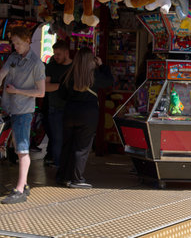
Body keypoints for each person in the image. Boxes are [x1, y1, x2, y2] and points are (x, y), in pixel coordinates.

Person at [0, 27, 45, 204]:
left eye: (18, 43)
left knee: (22, 148)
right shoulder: (13, 57)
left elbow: (41, 92)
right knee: (14, 147)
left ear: (28, 41)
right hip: (8, 108)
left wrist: (17, 91)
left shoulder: (36, 64)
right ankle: (23, 184)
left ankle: (19, 189)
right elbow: (2, 74)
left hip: (23, 110)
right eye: (13, 43)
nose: (15, 46)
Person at [56, 47, 113, 188]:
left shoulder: (68, 74)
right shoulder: (94, 75)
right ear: (91, 60)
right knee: (81, 147)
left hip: (69, 112)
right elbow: (110, 81)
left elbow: (61, 95)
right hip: (88, 113)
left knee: (67, 145)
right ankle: (76, 179)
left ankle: (62, 176)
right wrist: (102, 65)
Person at [44, 41, 72, 166]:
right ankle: (59, 167)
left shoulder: (74, 67)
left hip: (72, 108)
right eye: (55, 54)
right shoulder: (51, 66)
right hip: (55, 108)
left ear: (66, 53)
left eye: (59, 54)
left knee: (70, 140)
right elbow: (45, 87)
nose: (56, 57)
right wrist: (62, 86)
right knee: (57, 139)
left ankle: (68, 166)